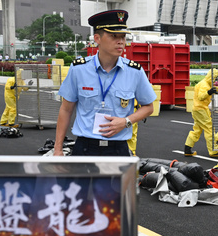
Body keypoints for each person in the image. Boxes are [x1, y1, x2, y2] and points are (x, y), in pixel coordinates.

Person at [53, 10, 156, 157]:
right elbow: (66, 109)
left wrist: (126, 121)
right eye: (114, 36)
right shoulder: (79, 69)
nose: (121, 41)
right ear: (97, 38)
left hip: (118, 150)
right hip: (85, 149)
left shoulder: (134, 71)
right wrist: (58, 149)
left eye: (123, 36)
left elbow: (148, 107)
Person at [184, 68, 218, 157]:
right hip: (201, 110)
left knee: (197, 130)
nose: (217, 80)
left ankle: (187, 148)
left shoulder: (207, 83)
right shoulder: (204, 85)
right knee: (209, 129)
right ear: (211, 77)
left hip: (197, 109)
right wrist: (209, 92)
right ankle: (213, 151)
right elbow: (201, 97)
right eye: (216, 78)